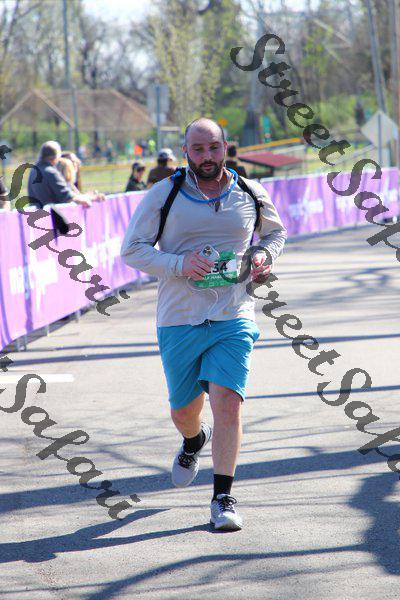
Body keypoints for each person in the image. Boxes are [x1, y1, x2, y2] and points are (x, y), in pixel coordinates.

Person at [121, 117, 287, 531]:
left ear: (225, 147)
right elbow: (132, 250)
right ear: (186, 152)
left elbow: (275, 234)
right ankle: (194, 438)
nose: (207, 156)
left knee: (228, 403)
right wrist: (180, 264)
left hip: (234, 312)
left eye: (214, 147)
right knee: (184, 411)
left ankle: (222, 498)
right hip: (179, 317)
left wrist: (263, 257)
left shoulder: (250, 192)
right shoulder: (165, 193)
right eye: (198, 149)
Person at [27, 141, 93, 208]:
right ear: (56, 156)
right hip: (51, 213)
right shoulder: (50, 172)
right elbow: (67, 197)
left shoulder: (34, 170)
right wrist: (87, 199)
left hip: (37, 213)